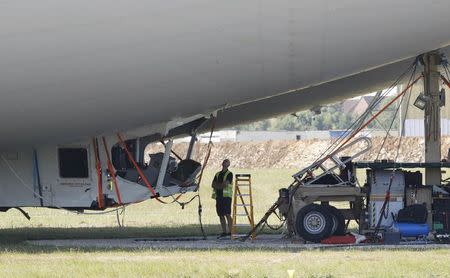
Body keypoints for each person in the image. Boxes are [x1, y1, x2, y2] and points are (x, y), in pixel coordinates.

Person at [211, 159, 233, 238]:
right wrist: (220, 186)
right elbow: (213, 184)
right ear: (222, 163)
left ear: (229, 164)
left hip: (226, 197)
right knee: (220, 214)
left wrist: (218, 186)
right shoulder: (217, 174)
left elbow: (226, 184)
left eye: (227, 161)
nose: (225, 162)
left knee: (227, 214)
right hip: (219, 197)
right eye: (224, 161)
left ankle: (231, 232)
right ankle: (224, 232)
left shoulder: (229, 174)